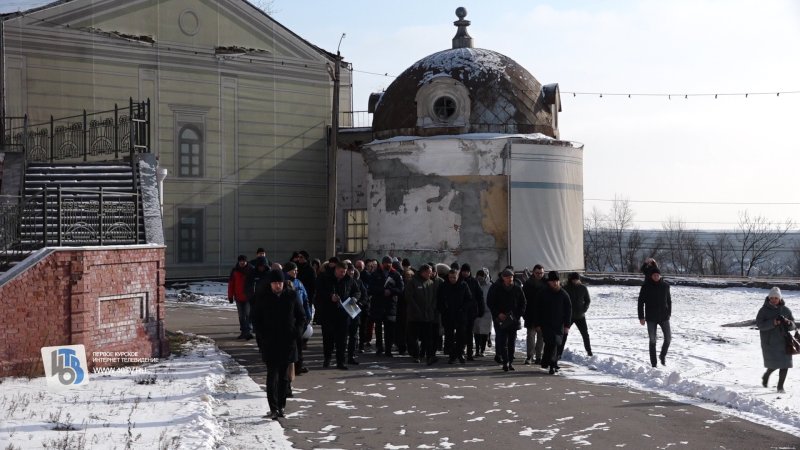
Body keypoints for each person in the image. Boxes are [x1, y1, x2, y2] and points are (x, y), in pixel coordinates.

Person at [250, 269, 306, 420]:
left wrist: (297, 333)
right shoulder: (263, 297)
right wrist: (262, 336)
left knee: (284, 377)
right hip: (270, 343)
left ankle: (281, 406)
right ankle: (273, 408)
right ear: (270, 284)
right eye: (274, 283)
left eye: (279, 283)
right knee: (271, 375)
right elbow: (255, 319)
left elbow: (301, 317)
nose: (277, 286)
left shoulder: (291, 296)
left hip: (288, 342)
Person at [316, 261, 360, 369]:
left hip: (344, 313)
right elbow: (319, 293)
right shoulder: (325, 278)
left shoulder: (349, 280)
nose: (343, 274)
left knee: (342, 339)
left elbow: (357, 291)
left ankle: (341, 362)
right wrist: (330, 296)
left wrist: (354, 298)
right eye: (341, 272)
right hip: (328, 313)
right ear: (336, 270)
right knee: (328, 338)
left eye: (344, 272)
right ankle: (327, 359)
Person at [756, 287, 796, 393]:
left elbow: (793, 325)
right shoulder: (763, 310)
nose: (774, 300)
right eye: (772, 298)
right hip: (770, 342)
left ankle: (780, 387)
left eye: (776, 298)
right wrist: (773, 322)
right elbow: (760, 325)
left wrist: (788, 323)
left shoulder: (786, 310)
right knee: (775, 363)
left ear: (780, 298)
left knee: (785, 363)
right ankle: (766, 375)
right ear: (769, 298)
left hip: (784, 341)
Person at [487, 268, 526, 372]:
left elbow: (523, 303)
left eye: (512, 277)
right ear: (503, 278)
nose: (510, 279)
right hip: (501, 319)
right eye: (508, 277)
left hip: (513, 320)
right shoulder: (496, 288)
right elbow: (490, 302)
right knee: (502, 341)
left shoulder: (517, 288)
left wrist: (517, 315)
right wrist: (498, 314)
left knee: (512, 342)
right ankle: (505, 361)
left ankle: (510, 361)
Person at [405, 264, 442, 365]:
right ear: (423, 272)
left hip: (427, 315)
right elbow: (409, 297)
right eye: (428, 272)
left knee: (428, 337)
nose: (430, 274)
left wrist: (432, 308)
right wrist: (416, 309)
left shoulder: (431, 283)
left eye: (431, 272)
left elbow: (434, 297)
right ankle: (416, 355)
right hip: (415, 316)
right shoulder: (413, 282)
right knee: (414, 337)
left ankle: (429, 356)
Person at [536, 271, 572, 374]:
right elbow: (537, 309)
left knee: (555, 343)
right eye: (553, 281)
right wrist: (537, 323)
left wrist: (567, 325)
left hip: (559, 324)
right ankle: (551, 363)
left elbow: (568, 310)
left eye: (556, 281)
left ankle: (550, 363)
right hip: (546, 323)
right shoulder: (543, 293)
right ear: (549, 282)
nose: (555, 283)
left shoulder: (563, 294)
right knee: (551, 343)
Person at [368, 256, 404, 357]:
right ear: (382, 263)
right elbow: (370, 288)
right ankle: (379, 348)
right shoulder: (375, 274)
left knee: (390, 329)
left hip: (390, 306)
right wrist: (382, 291)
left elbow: (401, 289)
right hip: (378, 305)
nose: (388, 265)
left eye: (390, 263)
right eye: (386, 263)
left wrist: (391, 291)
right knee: (378, 328)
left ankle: (388, 349)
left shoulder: (396, 274)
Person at [438, 269, 475, 364]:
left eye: (454, 277)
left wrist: (463, 309)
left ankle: (460, 353)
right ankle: (452, 355)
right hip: (448, 315)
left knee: (461, 336)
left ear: (458, 277)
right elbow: (439, 300)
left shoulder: (463, 285)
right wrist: (443, 310)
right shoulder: (444, 286)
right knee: (449, 337)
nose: (452, 279)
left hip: (460, 315)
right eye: (450, 277)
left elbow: (469, 299)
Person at [637, 267, 672, 368]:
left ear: (660, 275)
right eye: (654, 275)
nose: (656, 277)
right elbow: (640, 303)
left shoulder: (665, 286)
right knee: (652, 340)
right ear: (651, 276)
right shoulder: (646, 287)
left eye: (658, 275)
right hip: (651, 318)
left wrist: (669, 313)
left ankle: (662, 355)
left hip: (664, 317)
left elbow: (669, 301)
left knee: (668, 338)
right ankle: (654, 363)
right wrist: (641, 317)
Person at [285, 262, 311, 375]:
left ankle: (298, 367)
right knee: (289, 345)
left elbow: (305, 300)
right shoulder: (283, 283)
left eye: (297, 270)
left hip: (299, 318)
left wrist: (308, 315)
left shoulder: (299, 283)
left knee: (299, 344)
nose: (296, 272)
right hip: (288, 319)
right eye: (294, 270)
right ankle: (288, 368)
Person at [561, 272, 593, 357]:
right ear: (570, 280)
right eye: (574, 280)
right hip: (569, 316)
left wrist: (584, 309)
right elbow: (562, 301)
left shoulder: (583, 288)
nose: (575, 281)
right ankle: (559, 353)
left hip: (580, 316)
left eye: (577, 279)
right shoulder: (566, 288)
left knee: (585, 334)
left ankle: (589, 352)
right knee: (564, 334)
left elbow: (588, 300)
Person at [458, 264, 485, 361]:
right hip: (460, 311)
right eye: (464, 271)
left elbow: (480, 296)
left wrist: (481, 309)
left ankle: (469, 353)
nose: (465, 273)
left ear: (470, 272)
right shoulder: (458, 281)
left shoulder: (474, 281)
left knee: (469, 333)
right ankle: (460, 352)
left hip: (471, 311)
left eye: (467, 271)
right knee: (461, 332)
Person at [522, 264, 546, 365]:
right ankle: (529, 356)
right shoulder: (528, 284)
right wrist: (524, 313)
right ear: (533, 273)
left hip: (543, 314)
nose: (539, 275)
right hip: (531, 314)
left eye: (541, 273)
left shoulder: (547, 283)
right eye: (537, 273)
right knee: (531, 336)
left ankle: (539, 357)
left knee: (541, 337)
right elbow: (523, 300)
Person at [227, 255, 253, 340]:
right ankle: (243, 332)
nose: (242, 262)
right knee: (241, 316)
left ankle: (248, 331)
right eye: (240, 261)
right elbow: (231, 284)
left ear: (246, 261)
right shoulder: (235, 271)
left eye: (244, 261)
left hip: (248, 297)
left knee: (248, 315)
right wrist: (230, 296)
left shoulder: (251, 269)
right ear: (238, 262)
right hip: (238, 297)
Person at [473, 269, 493, 357]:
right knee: (476, 331)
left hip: (487, 311)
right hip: (476, 311)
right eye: (478, 277)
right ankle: (477, 349)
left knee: (485, 332)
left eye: (482, 276)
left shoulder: (490, 286)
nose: (480, 278)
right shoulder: (474, 284)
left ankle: (482, 350)